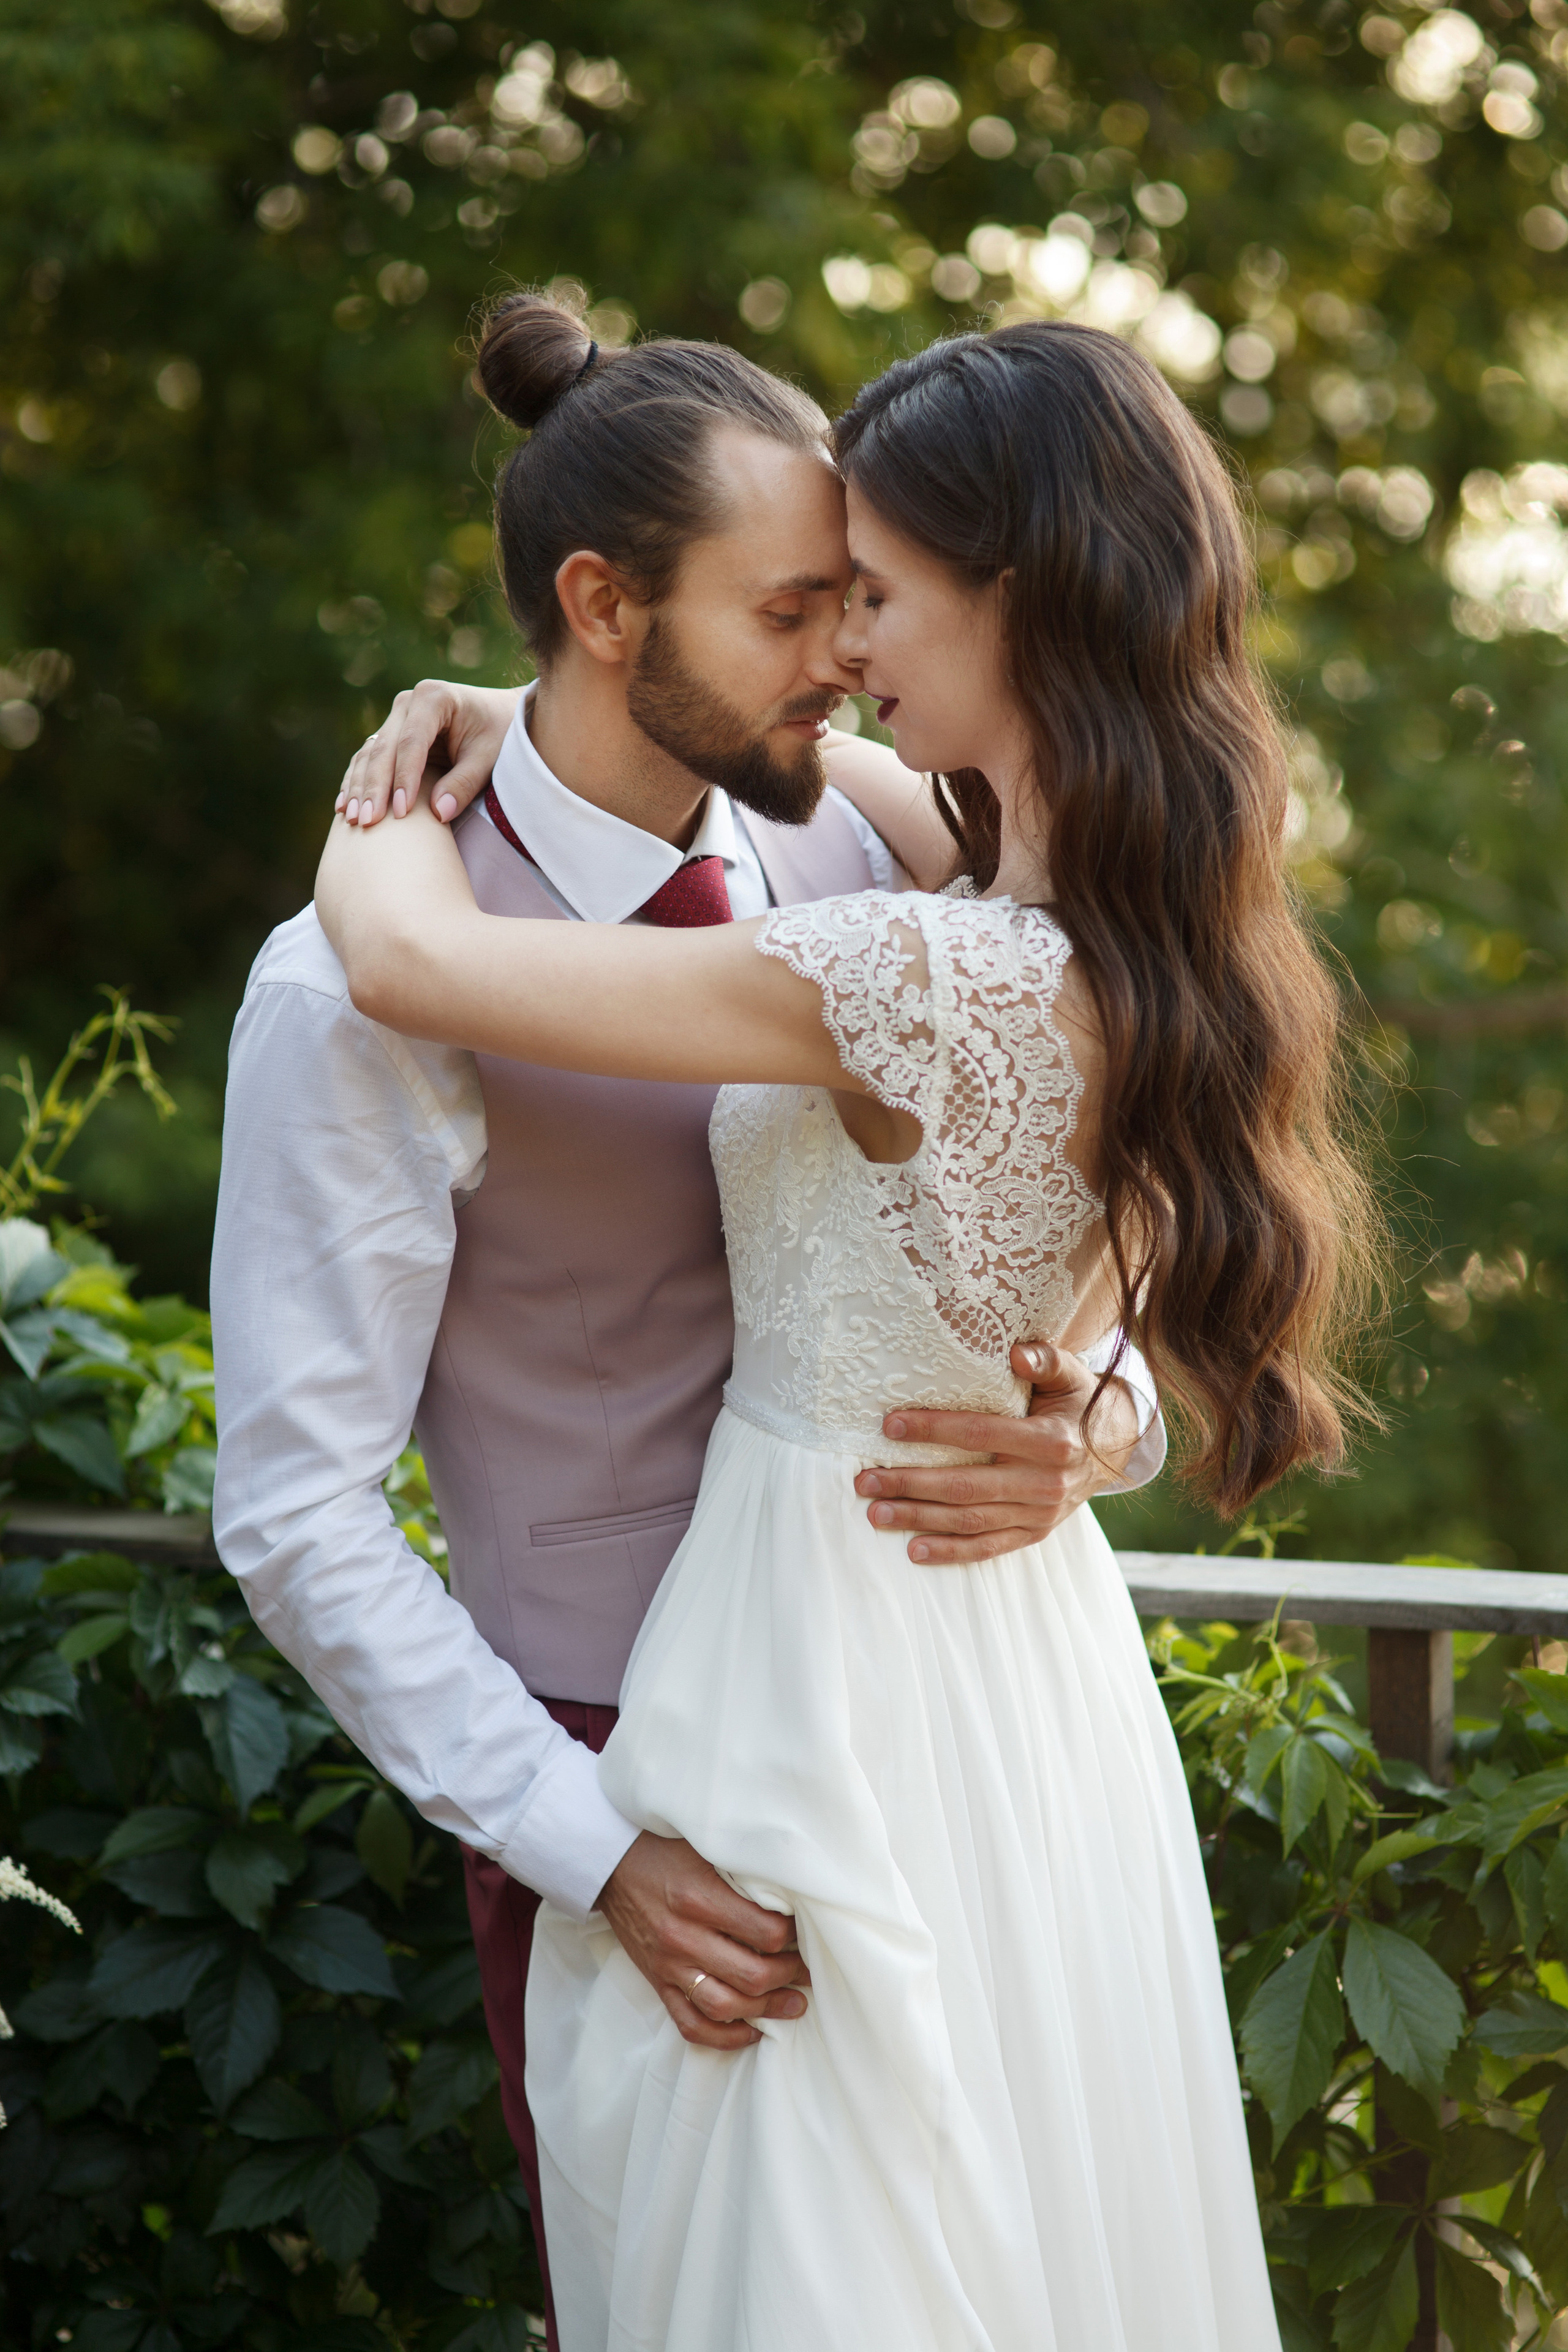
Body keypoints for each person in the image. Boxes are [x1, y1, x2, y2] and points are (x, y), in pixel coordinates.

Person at [315, 306, 1382, 2351]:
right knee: (1021, 2202)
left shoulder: (912, 963)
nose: (845, 654)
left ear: (1024, 602)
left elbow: (408, 969)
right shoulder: (1136, 923)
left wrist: (393, 785)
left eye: (875, 596)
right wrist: (538, 693)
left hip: (823, 1660)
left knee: (817, 2230)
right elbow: (895, 804)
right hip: (1016, 1672)